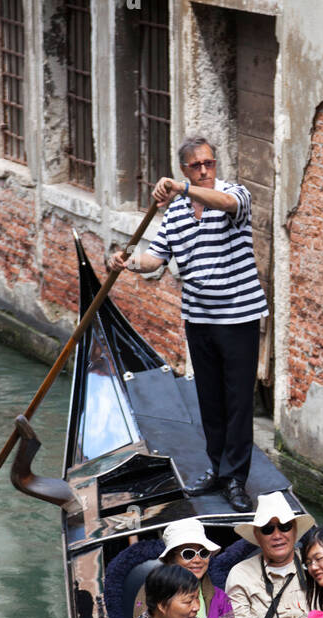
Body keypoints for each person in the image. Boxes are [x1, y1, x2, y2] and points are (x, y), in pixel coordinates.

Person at [107, 134, 267, 512]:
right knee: (209, 402)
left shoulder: (234, 195)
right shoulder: (176, 214)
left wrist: (184, 189)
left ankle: (236, 481)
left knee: (238, 403)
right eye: (196, 166)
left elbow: (226, 203)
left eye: (209, 163)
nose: (205, 170)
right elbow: (155, 258)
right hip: (198, 319)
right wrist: (126, 261)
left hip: (239, 318)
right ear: (185, 168)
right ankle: (216, 470)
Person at [226, 491, 314, 618]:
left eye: (284, 526)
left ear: (295, 530)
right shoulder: (240, 574)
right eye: (268, 529)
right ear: (257, 536)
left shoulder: (315, 561)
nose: (277, 535)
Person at [132, 518, 234, 618]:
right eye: (188, 554)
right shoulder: (150, 593)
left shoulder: (220, 598)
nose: (197, 560)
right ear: (171, 559)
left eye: (203, 553)